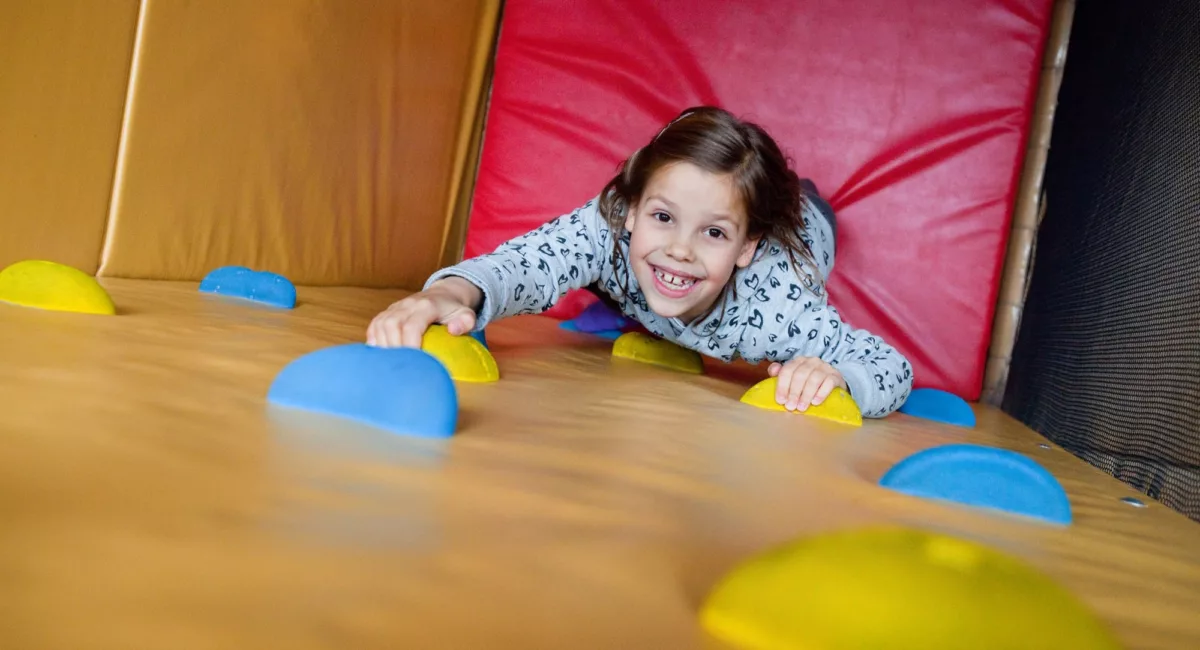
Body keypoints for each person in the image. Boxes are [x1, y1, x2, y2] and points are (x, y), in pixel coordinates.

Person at [367, 106, 912, 418]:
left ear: (745, 247)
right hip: (660, 258)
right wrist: (451, 293)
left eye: (714, 233)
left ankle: (798, 201)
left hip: (806, 226)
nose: (680, 249)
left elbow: (891, 367)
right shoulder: (606, 226)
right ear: (630, 209)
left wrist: (838, 375)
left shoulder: (778, 308)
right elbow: (524, 265)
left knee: (803, 206)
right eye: (663, 217)